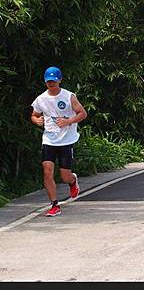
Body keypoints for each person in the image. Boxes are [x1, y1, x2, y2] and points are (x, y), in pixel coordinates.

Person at [30, 67, 87, 217]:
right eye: (49, 81)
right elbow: (34, 115)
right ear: (45, 81)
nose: (51, 84)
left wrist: (69, 121)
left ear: (60, 80)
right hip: (49, 139)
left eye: (54, 81)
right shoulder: (41, 99)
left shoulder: (69, 96)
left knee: (64, 176)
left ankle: (73, 181)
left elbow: (82, 113)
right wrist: (37, 120)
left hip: (66, 140)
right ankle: (55, 205)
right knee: (47, 172)